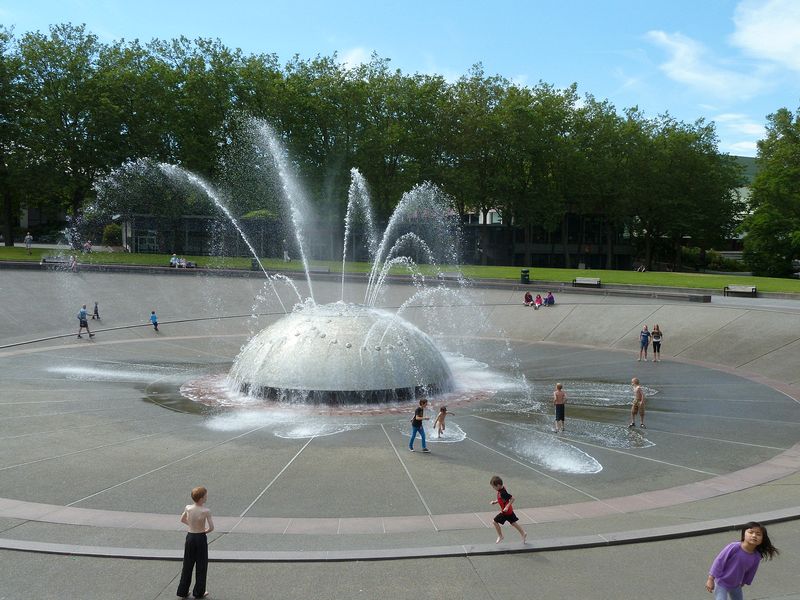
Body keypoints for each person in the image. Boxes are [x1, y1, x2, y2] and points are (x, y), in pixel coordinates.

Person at [706, 521, 779, 599]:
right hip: (721, 582)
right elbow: (719, 561)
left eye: (758, 534)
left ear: (762, 540)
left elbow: (752, 571)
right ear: (744, 534)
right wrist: (711, 579)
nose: (754, 536)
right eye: (751, 532)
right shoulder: (734, 547)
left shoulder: (756, 556)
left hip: (736, 585)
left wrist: (744, 581)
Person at [177, 485, 214, 600]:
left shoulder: (188, 508)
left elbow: (182, 519)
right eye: (205, 495)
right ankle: (199, 592)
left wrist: (192, 526)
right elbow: (211, 527)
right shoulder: (206, 511)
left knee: (187, 564)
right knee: (201, 565)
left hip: (190, 537)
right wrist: (204, 531)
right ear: (201, 498)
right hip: (200, 538)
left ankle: (182, 591)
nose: (207, 497)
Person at [489, 475, 527, 544]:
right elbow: (502, 499)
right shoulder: (501, 489)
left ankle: (500, 536)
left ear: (498, 485)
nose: (493, 488)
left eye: (493, 487)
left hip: (506, 512)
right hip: (509, 511)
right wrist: (495, 502)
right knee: (513, 523)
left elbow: (512, 498)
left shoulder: (503, 493)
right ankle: (523, 533)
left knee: (494, 522)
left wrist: (506, 507)